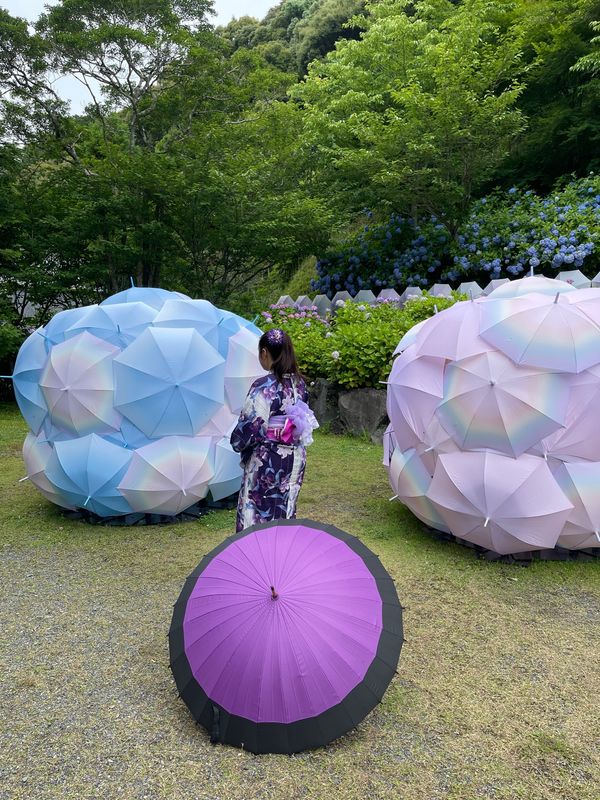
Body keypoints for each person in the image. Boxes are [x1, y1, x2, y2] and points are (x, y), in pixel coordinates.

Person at [230, 327, 318, 533]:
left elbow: (252, 427)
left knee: (257, 512)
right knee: (285, 510)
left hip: (268, 458)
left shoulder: (264, 386)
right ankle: (278, 560)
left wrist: (237, 441)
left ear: (264, 353)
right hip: (295, 455)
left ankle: (254, 559)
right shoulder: (300, 384)